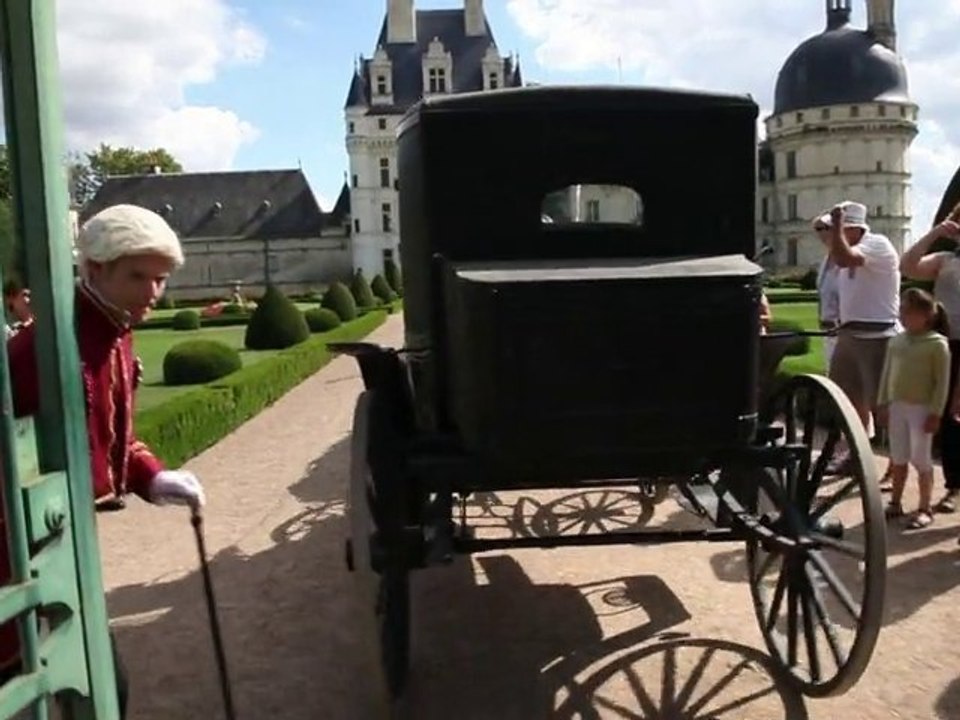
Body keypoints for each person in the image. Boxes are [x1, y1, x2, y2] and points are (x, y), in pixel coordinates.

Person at [0, 204, 206, 716]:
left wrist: (152, 477)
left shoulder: (114, 327)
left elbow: (116, 435)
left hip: (62, 539)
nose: (153, 291)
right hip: (15, 548)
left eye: (160, 278)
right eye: (138, 276)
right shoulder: (43, 349)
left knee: (103, 682)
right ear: (94, 269)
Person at [825, 201, 902, 482]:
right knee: (849, 400)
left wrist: (835, 226)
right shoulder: (848, 249)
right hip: (850, 333)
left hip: (877, 335)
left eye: (839, 229)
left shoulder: (877, 244)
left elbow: (845, 258)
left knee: (883, 407)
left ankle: (898, 462)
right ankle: (857, 456)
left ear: (853, 227)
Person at [899, 200, 960, 513]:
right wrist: (936, 232)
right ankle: (954, 486)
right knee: (949, 418)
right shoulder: (946, 259)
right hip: (945, 345)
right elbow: (907, 266)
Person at [876, 289, 951, 529]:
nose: (903, 316)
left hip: (922, 408)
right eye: (902, 311)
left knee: (921, 458)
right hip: (898, 405)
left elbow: (942, 382)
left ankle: (924, 507)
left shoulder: (937, 344)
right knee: (898, 457)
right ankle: (895, 502)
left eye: (909, 312)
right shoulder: (896, 341)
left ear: (926, 315)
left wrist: (936, 412)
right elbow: (887, 373)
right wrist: (883, 402)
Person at [812, 212, 841, 369]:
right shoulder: (825, 260)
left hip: (842, 330)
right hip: (827, 330)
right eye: (818, 229)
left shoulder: (845, 258)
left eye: (825, 228)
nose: (821, 233)